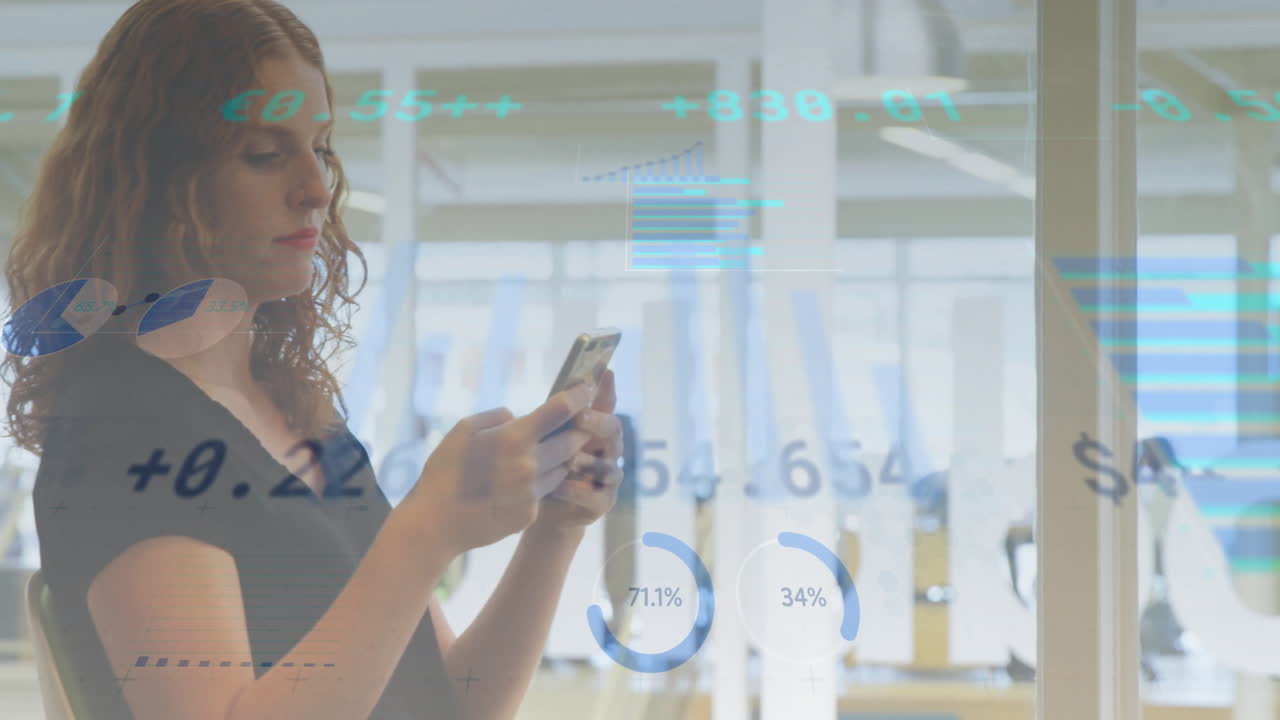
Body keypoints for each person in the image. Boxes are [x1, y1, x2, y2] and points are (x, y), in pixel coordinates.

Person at [1, 1, 623, 718]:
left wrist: (554, 531)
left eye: (320, 149)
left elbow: (455, 704)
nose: (317, 190)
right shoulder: (122, 432)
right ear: (157, 180)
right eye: (265, 155)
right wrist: (424, 531)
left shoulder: (307, 423)